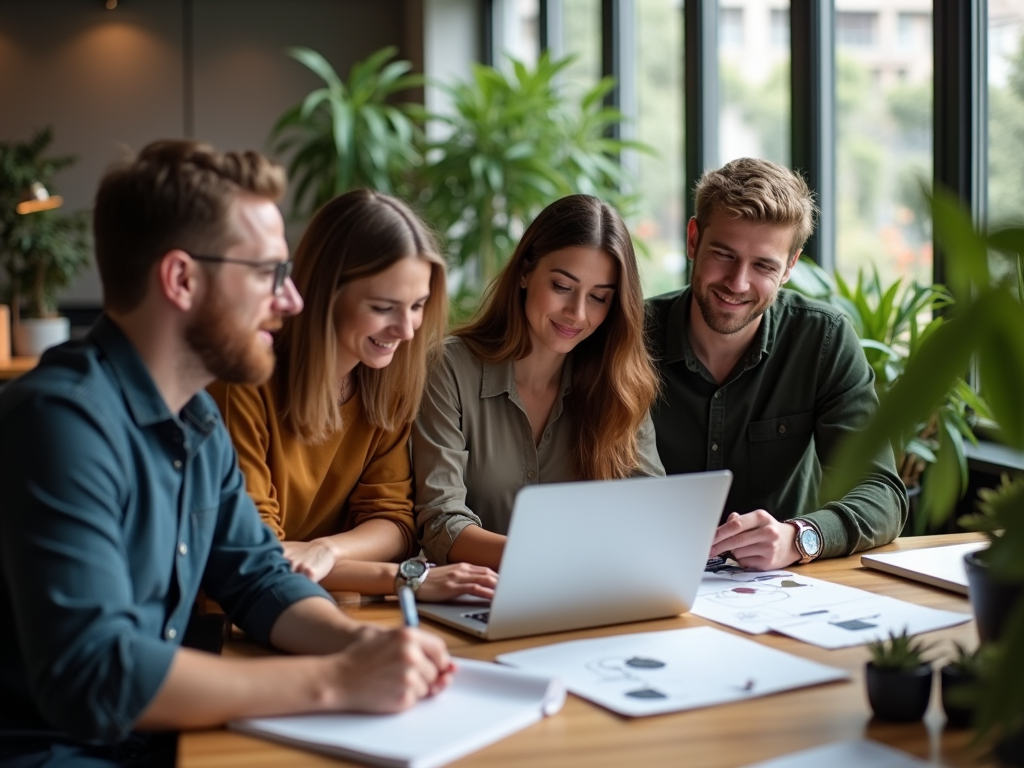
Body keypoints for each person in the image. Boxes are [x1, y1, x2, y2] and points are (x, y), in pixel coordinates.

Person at [0, 140, 452, 768]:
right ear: (182, 278)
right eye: (268, 273)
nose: (292, 300)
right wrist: (337, 681)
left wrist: (357, 647)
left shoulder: (196, 416)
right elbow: (95, 673)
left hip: (162, 740)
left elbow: (258, 576)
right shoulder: (60, 423)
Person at [208, 189, 497, 601]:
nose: (407, 329)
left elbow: (394, 522)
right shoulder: (244, 383)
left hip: (344, 606)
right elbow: (260, 555)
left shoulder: (387, 383)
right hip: (240, 618)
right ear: (325, 294)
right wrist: (406, 580)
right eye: (383, 307)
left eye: (417, 305)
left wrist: (327, 550)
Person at [645, 157, 907, 572]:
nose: (738, 282)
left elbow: (881, 491)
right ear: (693, 240)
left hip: (781, 592)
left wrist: (800, 536)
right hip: (647, 576)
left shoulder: (823, 339)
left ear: (789, 267)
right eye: (724, 254)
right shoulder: (632, 337)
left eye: (764, 265)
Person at [413, 194, 665, 569]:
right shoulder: (447, 368)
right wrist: (551, 559)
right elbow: (440, 522)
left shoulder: (619, 385)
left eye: (598, 297)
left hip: (590, 594)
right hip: (478, 598)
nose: (577, 313)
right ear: (525, 272)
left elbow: (652, 511)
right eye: (562, 286)